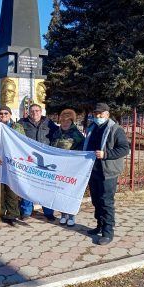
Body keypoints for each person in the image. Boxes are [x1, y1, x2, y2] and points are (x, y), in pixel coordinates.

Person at [83, 103, 130, 245]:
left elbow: (124, 149)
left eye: (101, 114)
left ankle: (108, 232)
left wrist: (106, 154)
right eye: (96, 114)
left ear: (107, 115)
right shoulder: (92, 128)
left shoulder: (116, 129)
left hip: (108, 172)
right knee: (96, 200)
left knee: (106, 202)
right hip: (93, 170)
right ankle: (99, 225)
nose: (98, 116)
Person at [18, 104, 59, 221]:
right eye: (32, 111)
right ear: (28, 112)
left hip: (45, 160)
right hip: (29, 160)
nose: (34, 113)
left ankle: (48, 211)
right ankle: (26, 211)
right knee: (27, 186)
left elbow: (58, 135)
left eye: (37, 111)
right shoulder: (22, 123)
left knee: (46, 186)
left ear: (41, 112)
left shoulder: (49, 123)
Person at [0, 105, 25, 226]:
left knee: (12, 191)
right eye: (1, 114)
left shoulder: (17, 127)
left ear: (10, 115)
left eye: (6, 113)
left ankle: (12, 215)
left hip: (12, 165)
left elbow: (22, 144)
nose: (3, 116)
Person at [51, 109, 85, 226]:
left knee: (70, 192)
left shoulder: (77, 135)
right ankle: (63, 215)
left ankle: (71, 216)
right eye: (63, 121)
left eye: (68, 121)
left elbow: (82, 151)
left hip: (71, 168)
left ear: (72, 121)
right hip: (58, 167)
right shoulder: (56, 133)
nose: (65, 123)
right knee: (59, 191)